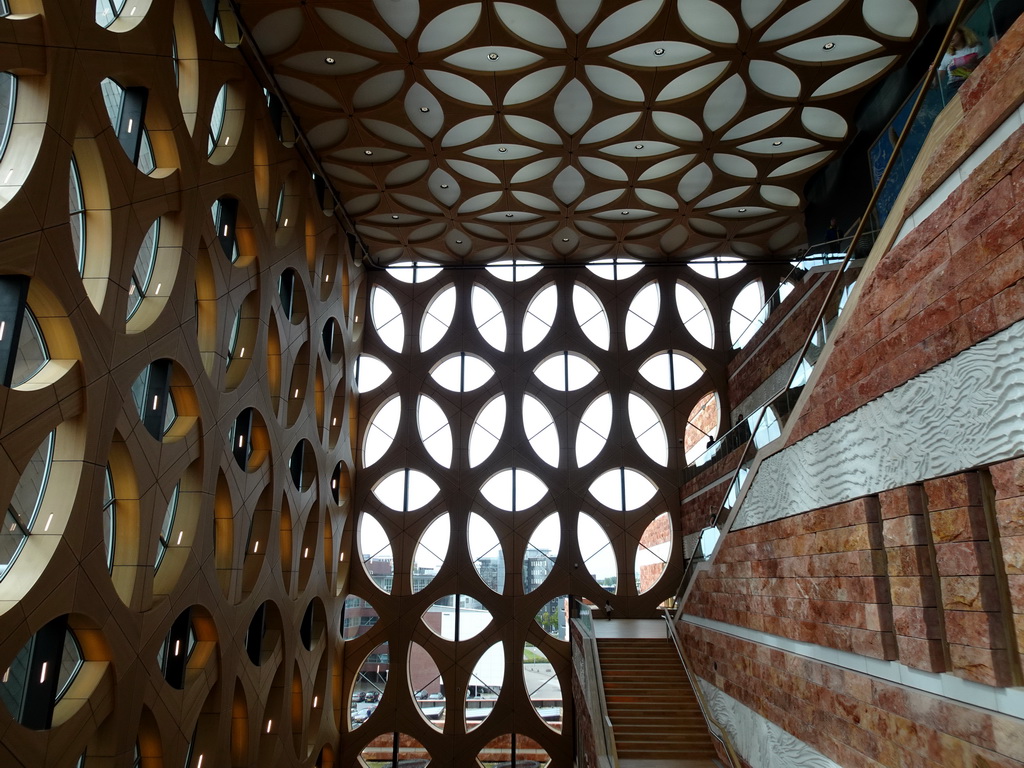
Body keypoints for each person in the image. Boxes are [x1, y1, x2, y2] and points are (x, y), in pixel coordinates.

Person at [938, 26, 984, 96]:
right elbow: (937, 81)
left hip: (975, 81)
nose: (950, 38)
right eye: (947, 36)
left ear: (961, 33)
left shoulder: (975, 48)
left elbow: (984, 66)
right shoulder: (946, 56)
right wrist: (933, 72)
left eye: (952, 34)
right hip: (955, 87)